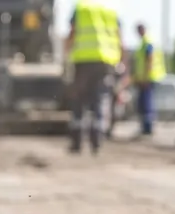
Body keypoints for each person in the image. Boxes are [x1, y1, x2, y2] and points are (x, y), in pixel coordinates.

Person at [64, 1, 123, 155]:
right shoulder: (111, 8)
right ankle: (97, 141)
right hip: (105, 62)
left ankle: (77, 142)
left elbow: (73, 32)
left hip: (83, 61)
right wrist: (121, 61)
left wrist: (66, 53)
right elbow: (119, 37)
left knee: (79, 100)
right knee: (100, 100)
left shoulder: (81, 7)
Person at [133, 22, 166, 137]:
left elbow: (149, 59)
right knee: (144, 103)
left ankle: (148, 127)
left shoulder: (147, 42)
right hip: (145, 78)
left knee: (147, 103)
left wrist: (146, 77)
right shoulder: (144, 42)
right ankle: (145, 127)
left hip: (148, 78)